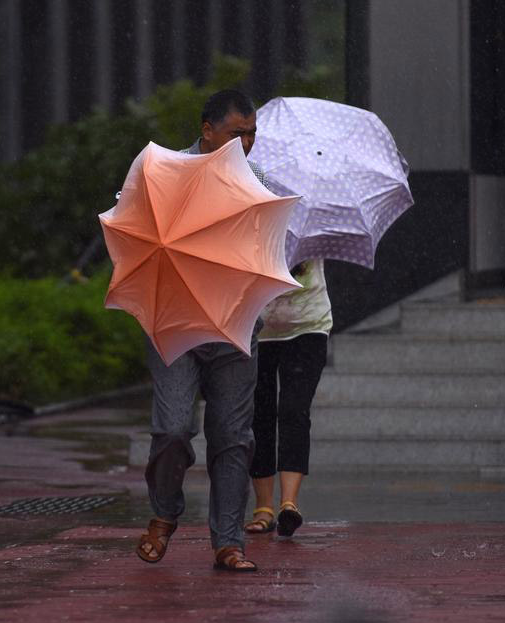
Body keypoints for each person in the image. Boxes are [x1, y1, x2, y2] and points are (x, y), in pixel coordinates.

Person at [136, 89, 266, 572]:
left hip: (235, 325)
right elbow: (134, 233)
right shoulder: (163, 174)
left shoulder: (260, 184)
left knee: (232, 437)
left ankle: (228, 542)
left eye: (252, 134)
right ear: (207, 129)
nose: (247, 144)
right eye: (237, 133)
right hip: (173, 323)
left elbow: (272, 254)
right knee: (172, 429)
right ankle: (165, 514)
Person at [244, 259, 332, 538]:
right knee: (260, 413)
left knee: (294, 410)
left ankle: (289, 504)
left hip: (309, 325)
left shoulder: (312, 218)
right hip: (256, 326)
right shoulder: (250, 220)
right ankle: (263, 508)